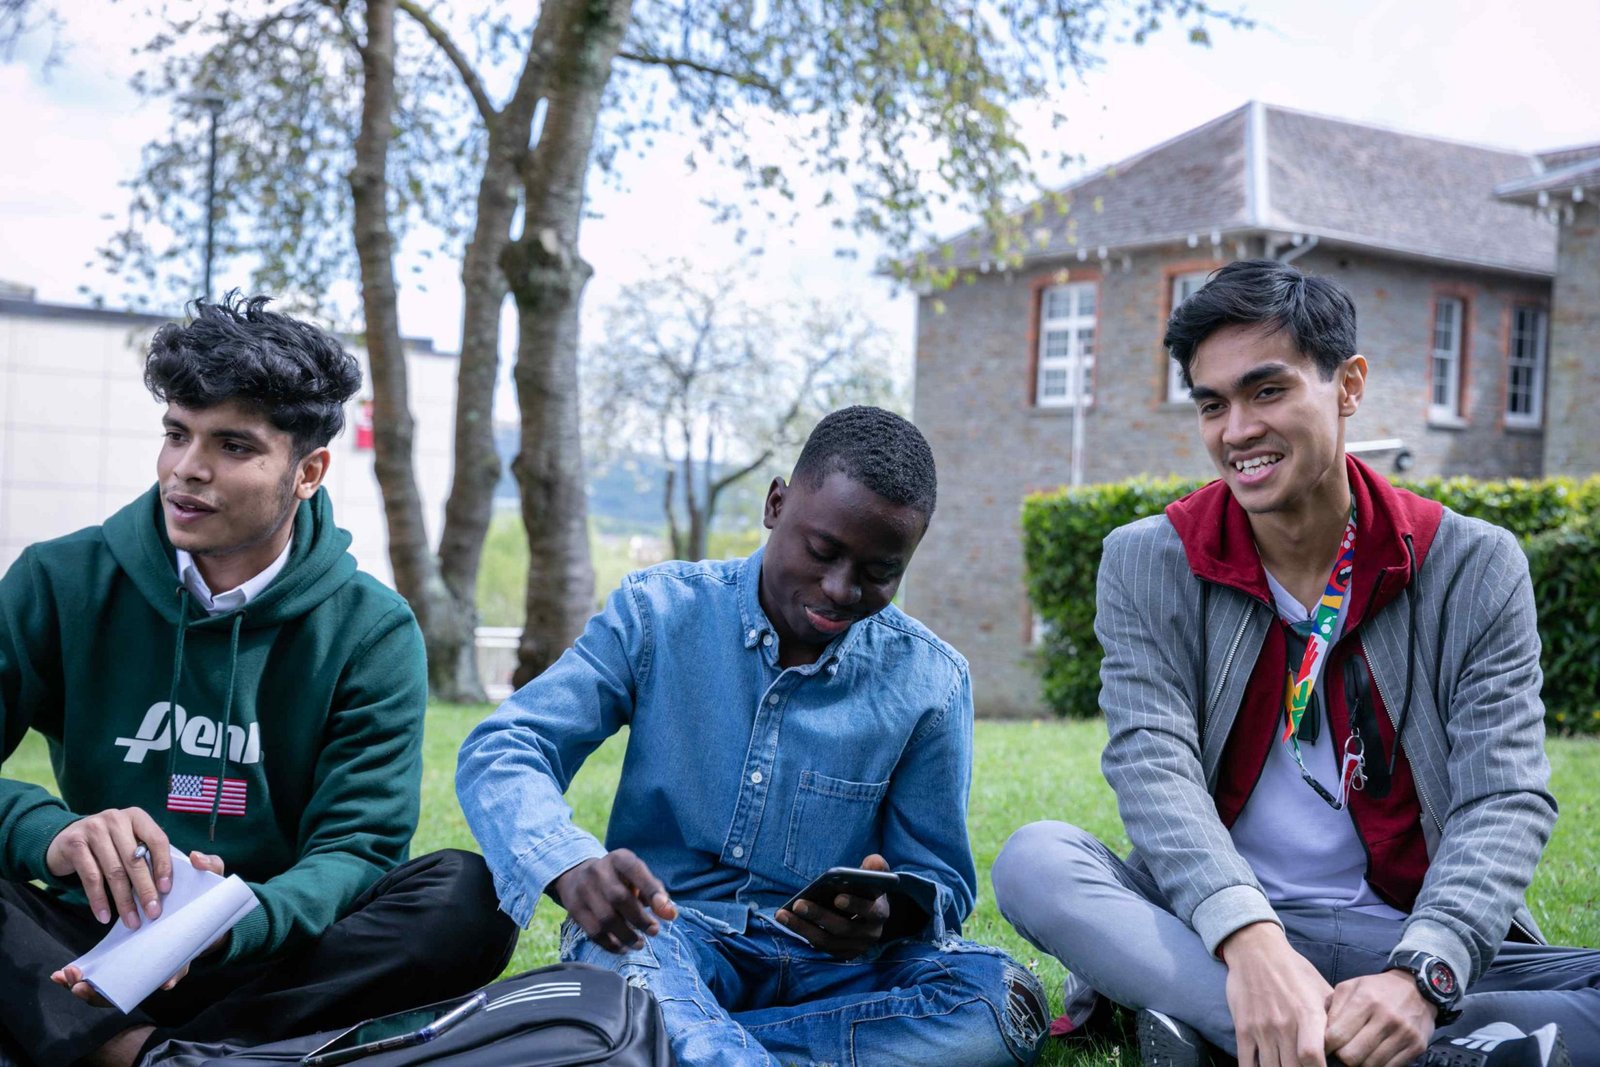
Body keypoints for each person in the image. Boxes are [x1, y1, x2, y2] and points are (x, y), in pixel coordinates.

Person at [991, 260, 1599, 1067]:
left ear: (1348, 386)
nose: (1237, 430)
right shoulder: (1148, 560)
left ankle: (1236, 1031)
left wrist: (1422, 973)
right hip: (1216, 931)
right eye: (1213, 404)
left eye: (1267, 391)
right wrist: (1250, 940)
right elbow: (1152, 767)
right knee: (1036, 859)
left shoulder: (1472, 564)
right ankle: (1363, 1040)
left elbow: (1504, 797)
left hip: (1403, 931)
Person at [0, 295, 517, 1067]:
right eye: (177, 433)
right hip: (83, 944)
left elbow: (357, 849)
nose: (187, 468)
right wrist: (50, 834)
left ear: (308, 471)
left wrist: (225, 922)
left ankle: (156, 1051)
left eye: (233, 445)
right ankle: (163, 1053)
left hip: (267, 948)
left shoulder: (371, 629)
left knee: (473, 894)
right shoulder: (60, 579)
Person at [457, 406, 1049, 1067]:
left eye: (880, 571)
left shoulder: (931, 680)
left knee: (1002, 1000)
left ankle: (669, 1043)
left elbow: (940, 881)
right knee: (627, 968)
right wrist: (569, 864)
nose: (840, 589)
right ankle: (673, 1034)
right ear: (775, 504)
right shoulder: (657, 612)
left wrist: (890, 915)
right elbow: (507, 746)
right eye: (822, 551)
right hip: (662, 939)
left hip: (835, 972)